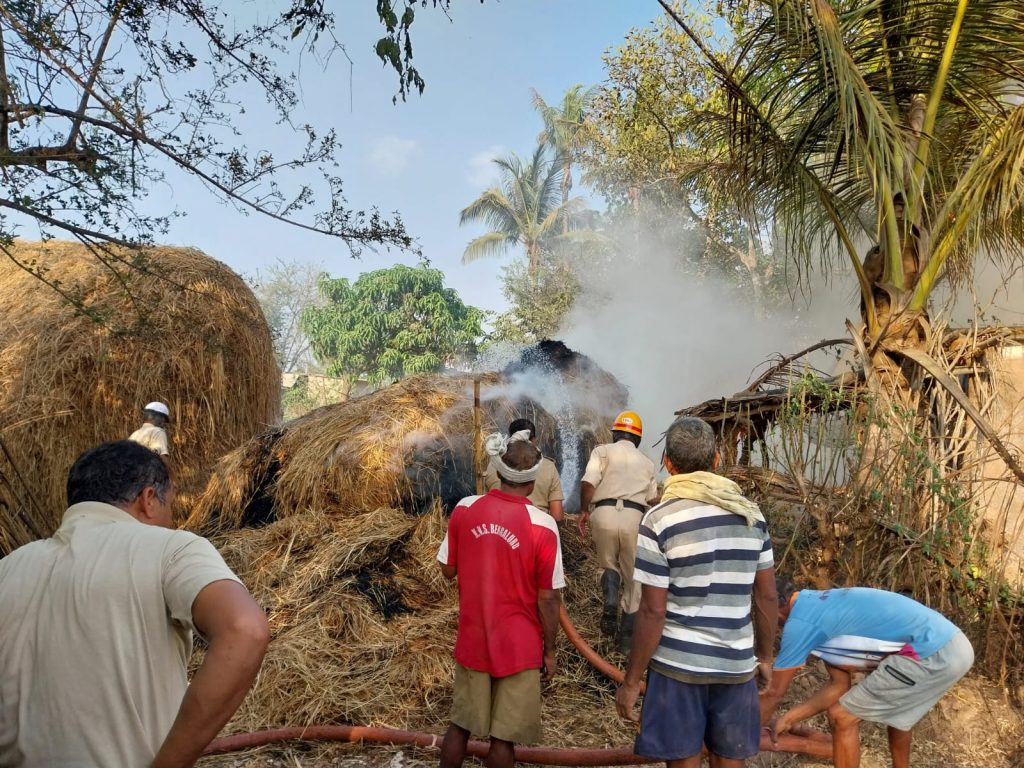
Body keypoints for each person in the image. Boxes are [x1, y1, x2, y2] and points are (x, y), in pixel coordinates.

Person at [0, 440, 270, 767]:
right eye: (170, 504)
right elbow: (245, 629)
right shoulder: (171, 549)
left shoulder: (10, 567)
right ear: (149, 499)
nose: (173, 520)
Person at [615, 416, 777, 768]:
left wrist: (632, 681)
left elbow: (652, 612)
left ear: (668, 465)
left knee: (682, 759)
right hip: (736, 665)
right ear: (717, 461)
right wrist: (765, 657)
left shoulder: (659, 520)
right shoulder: (752, 517)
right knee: (729, 759)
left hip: (678, 668)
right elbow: (765, 597)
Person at [437, 431, 565, 768]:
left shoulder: (465, 508)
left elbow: (447, 570)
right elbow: (549, 598)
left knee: (459, 728)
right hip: (519, 645)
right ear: (534, 479)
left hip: (473, 637)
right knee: (503, 740)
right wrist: (550, 651)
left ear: (497, 470)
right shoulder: (544, 525)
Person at [761, 580, 974, 768]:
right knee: (898, 719)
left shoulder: (799, 624)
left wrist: (745, 734)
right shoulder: (815, 605)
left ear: (773, 609)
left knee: (841, 717)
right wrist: (788, 719)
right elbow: (838, 685)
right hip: (954, 645)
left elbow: (774, 694)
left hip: (933, 651)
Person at [578, 410, 659, 648]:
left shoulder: (602, 451)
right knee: (634, 579)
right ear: (637, 438)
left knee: (607, 564)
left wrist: (584, 510)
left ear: (615, 434)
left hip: (603, 513)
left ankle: (611, 600)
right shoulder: (647, 463)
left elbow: (588, 482)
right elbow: (652, 499)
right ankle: (625, 642)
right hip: (635, 517)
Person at [483, 418, 565, 521]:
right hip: (536, 530)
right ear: (534, 439)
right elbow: (557, 516)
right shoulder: (548, 467)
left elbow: (485, 503)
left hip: (498, 527)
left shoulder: (493, 465)